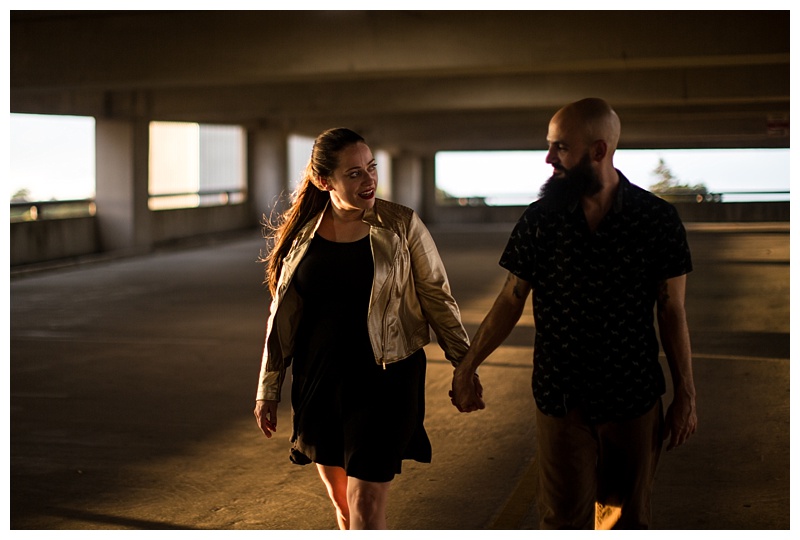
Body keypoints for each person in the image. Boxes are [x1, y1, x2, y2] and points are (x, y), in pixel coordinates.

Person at [450, 98, 697, 529]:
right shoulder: (542, 220)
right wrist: (467, 366)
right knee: (562, 521)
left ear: (599, 151)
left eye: (561, 147)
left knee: (625, 521)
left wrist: (686, 397)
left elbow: (671, 310)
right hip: (561, 400)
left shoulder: (656, 220)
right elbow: (511, 298)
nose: (549, 158)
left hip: (633, 398)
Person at [253, 127, 471, 530]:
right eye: (354, 173)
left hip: (386, 379)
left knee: (366, 505)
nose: (369, 179)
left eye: (371, 168)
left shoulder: (401, 225)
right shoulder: (302, 237)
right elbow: (281, 318)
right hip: (320, 381)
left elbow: (438, 298)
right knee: (343, 507)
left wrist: (465, 365)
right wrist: (268, 388)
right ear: (324, 181)